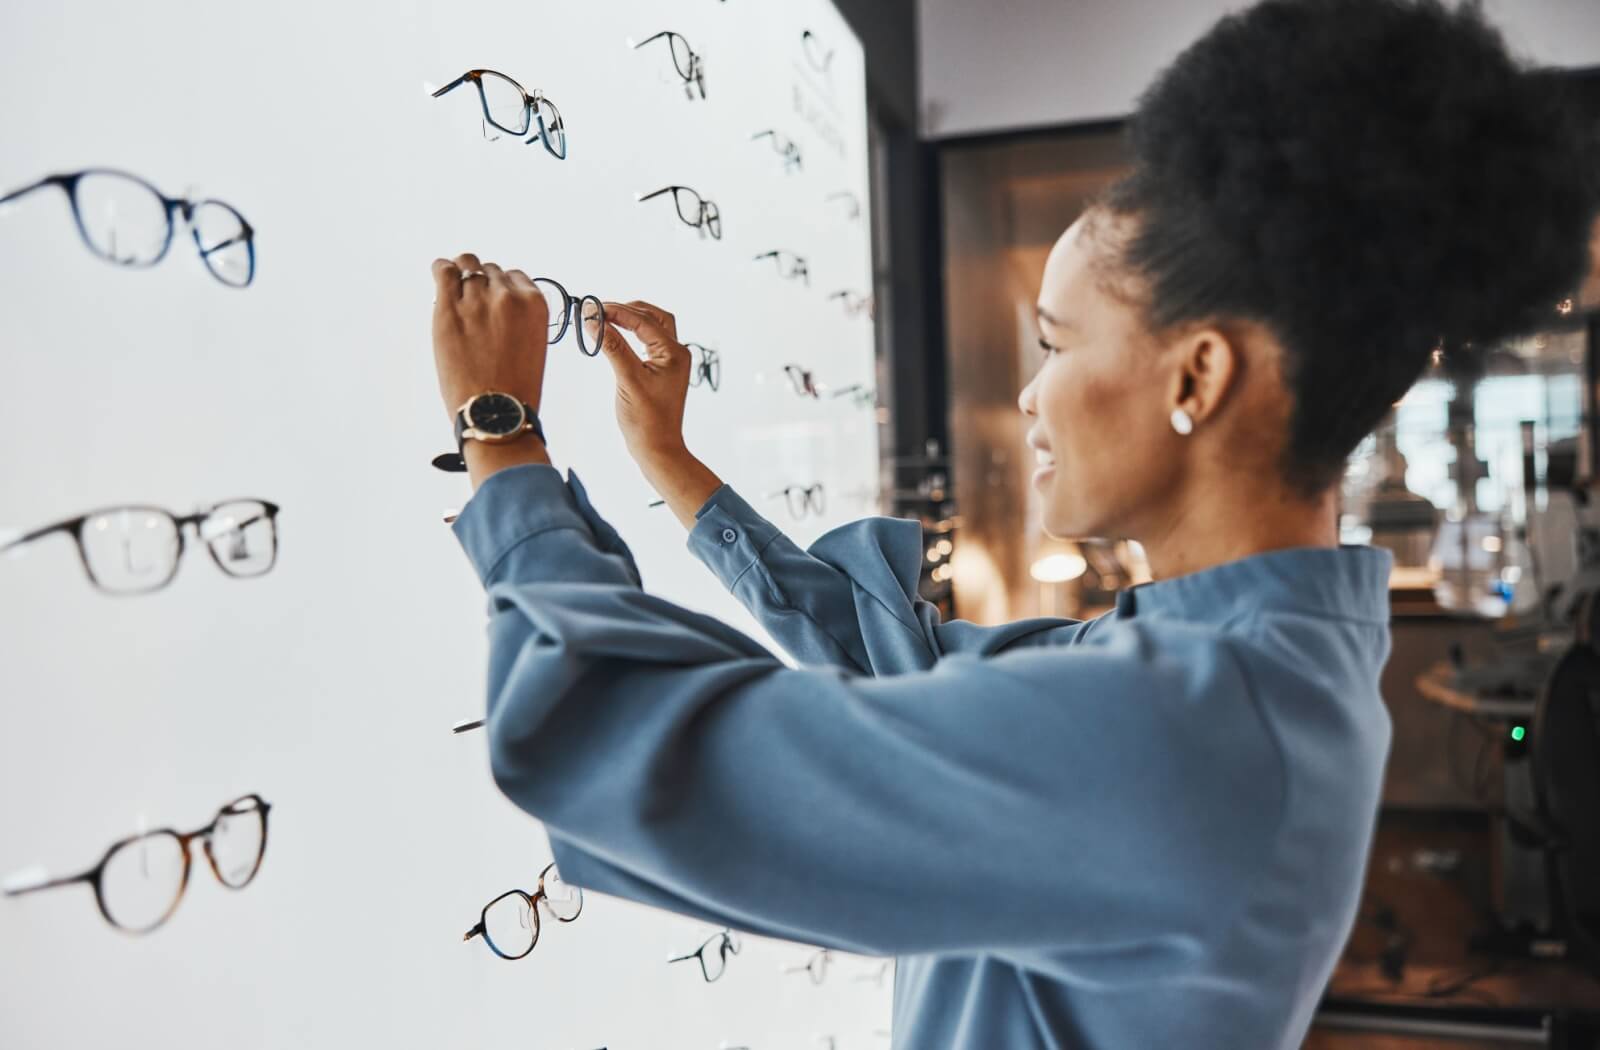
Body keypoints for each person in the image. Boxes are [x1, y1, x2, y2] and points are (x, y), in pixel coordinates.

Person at [425, 1, 1597, 1045]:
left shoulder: (1170, 729)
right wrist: (673, 466)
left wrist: (500, 430)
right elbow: (906, 668)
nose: (1029, 397)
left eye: (1054, 344)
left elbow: (600, 741)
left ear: (1195, 378)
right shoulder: (1241, 662)